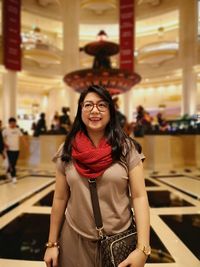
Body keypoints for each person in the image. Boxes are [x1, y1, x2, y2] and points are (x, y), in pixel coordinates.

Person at [44, 85, 150, 267]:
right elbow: (60, 198)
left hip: (118, 242)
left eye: (102, 105)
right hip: (74, 241)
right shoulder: (67, 149)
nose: (94, 110)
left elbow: (139, 197)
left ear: (110, 111)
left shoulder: (126, 148)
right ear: (80, 110)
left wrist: (143, 248)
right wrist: (52, 243)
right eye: (88, 105)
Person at [2, 117, 27, 183]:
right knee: (12, 163)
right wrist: (5, 144)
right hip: (9, 150)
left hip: (17, 149)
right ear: (9, 123)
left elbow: (22, 136)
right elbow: (2, 139)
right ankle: (14, 177)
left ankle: (8, 172)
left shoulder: (17, 130)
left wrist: (25, 143)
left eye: (14, 123)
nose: (13, 124)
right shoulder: (6, 130)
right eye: (12, 123)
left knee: (14, 163)